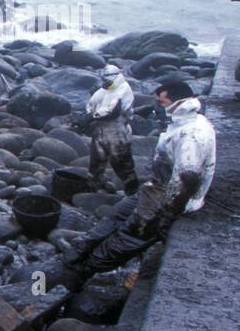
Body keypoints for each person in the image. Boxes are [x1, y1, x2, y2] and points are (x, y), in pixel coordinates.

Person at [63, 81, 215, 285]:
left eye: (162, 101)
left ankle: (83, 271)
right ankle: (79, 250)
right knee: (119, 213)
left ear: (179, 102)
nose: (158, 106)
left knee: (128, 238)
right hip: (158, 186)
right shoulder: (184, 122)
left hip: (172, 196)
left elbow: (188, 177)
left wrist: (169, 214)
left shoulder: (190, 134)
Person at [85, 63, 138, 194]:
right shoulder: (104, 89)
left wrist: (92, 116)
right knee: (96, 160)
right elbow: (92, 103)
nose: (105, 79)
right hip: (100, 129)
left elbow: (113, 110)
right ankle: (94, 186)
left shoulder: (123, 89)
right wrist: (89, 113)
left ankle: (132, 192)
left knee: (122, 163)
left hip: (117, 130)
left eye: (107, 77)